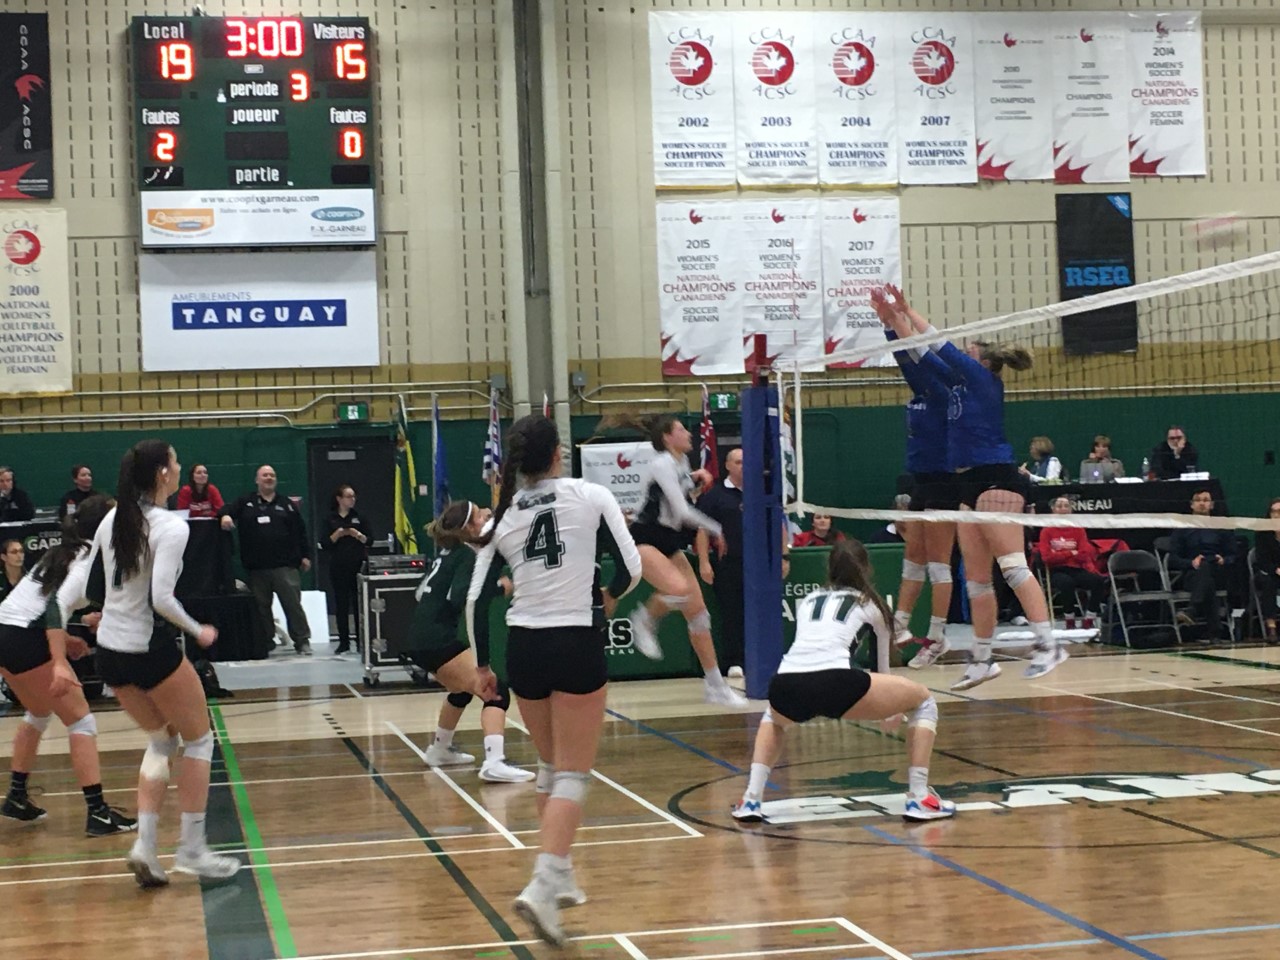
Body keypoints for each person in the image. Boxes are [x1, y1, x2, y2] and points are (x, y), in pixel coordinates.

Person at [465, 415, 642, 946]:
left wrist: (482, 667)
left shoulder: (503, 517)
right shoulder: (591, 495)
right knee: (573, 774)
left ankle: (559, 873)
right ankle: (543, 884)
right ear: (559, 453)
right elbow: (631, 568)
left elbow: (476, 600)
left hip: (524, 648)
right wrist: (609, 596)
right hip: (575, 640)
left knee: (549, 766)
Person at [878, 286, 1066, 688]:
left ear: (983, 361)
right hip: (966, 483)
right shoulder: (957, 385)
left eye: (970, 350)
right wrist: (892, 321)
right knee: (977, 580)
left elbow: (938, 344)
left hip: (997, 477)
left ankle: (1048, 644)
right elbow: (920, 353)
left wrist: (909, 309)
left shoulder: (982, 381)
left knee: (1012, 567)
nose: (964, 351)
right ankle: (982, 660)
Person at [87, 439, 239, 885]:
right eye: (175, 461)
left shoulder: (113, 518)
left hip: (109, 653)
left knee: (161, 741)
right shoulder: (171, 526)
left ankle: (146, 846)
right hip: (146, 649)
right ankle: (191, 849)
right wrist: (198, 630)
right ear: (162, 474)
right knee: (200, 741)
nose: (180, 466)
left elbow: (94, 587)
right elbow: (161, 599)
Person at [732, 540, 955, 824]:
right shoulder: (871, 604)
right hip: (836, 682)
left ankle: (751, 799)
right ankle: (920, 797)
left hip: (785, 683)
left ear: (830, 568)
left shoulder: (810, 599)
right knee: (924, 700)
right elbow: (881, 668)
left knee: (773, 719)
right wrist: (892, 709)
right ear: (866, 568)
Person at [0, 495, 136, 836]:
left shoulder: (63, 552)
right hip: (24, 637)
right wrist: (59, 661)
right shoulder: (87, 561)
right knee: (81, 721)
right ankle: (98, 813)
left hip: (6, 632)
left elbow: (35, 604)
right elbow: (54, 607)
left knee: (38, 712)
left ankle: (16, 796)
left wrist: (67, 637)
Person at [615, 414, 746, 707]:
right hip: (645, 537)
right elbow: (682, 511)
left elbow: (682, 497)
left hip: (669, 540)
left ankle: (716, 685)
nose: (688, 433)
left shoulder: (681, 462)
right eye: (681, 429)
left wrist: (697, 480)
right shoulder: (661, 463)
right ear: (667, 438)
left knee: (698, 613)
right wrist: (717, 529)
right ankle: (644, 618)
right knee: (679, 590)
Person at [408, 499, 533, 783]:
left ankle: (439, 750)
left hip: (420, 636)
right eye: (479, 514)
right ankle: (494, 761)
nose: (486, 514)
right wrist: (498, 587)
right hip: (436, 638)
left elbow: (419, 594)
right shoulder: (467, 555)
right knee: (495, 690)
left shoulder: (448, 553)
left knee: (462, 690)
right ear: (470, 528)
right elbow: (459, 596)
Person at [870, 287, 959, 671]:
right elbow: (905, 358)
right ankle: (901, 625)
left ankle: (938, 636)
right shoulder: (920, 390)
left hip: (944, 481)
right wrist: (888, 323)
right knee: (913, 559)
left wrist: (899, 320)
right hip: (921, 481)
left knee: (939, 564)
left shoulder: (944, 391)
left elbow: (917, 354)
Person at [220, 465, 313, 655]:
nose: (269, 478)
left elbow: (300, 531)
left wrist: (305, 555)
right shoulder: (246, 502)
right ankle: (265, 642)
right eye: (265, 475)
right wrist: (225, 516)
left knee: (293, 605)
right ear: (257, 480)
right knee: (260, 608)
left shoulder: (287, 504)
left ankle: (302, 640)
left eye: (272, 475)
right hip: (257, 568)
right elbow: (225, 509)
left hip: (285, 566)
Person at [694, 448, 747, 679]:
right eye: (738, 462)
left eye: (746, 462)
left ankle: (761, 657)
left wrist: (783, 556)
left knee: (758, 611)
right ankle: (735, 661)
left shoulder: (759, 492)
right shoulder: (715, 495)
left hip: (757, 565)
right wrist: (704, 562)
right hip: (728, 564)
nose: (743, 466)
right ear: (727, 466)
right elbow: (702, 530)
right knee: (731, 612)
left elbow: (778, 524)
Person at [1168, 489, 1237, 643]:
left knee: (1208, 573)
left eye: (1206, 500)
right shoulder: (1182, 529)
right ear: (1192, 505)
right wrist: (1191, 563)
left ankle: (1192, 610)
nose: (1202, 503)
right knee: (1206, 575)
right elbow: (1173, 559)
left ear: (1212, 505)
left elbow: (1233, 555)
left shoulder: (1221, 527)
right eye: (1198, 500)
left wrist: (1223, 560)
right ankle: (1215, 632)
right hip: (1192, 574)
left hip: (1218, 571)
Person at [1037, 497, 1108, 616]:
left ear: (1071, 509)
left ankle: (1091, 614)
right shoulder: (1046, 531)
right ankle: (1069, 616)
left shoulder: (1079, 530)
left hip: (1076, 568)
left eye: (1066, 506)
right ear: (1053, 509)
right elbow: (1047, 558)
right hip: (1056, 570)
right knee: (1066, 583)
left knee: (1098, 581)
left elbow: (1084, 554)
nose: (1063, 509)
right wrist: (1071, 553)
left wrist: (1059, 554)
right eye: (1059, 506)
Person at [323, 484, 368, 655]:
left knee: (359, 604)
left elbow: (369, 540)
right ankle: (343, 642)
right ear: (339, 499)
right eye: (348, 496)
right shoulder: (330, 518)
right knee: (341, 604)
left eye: (354, 496)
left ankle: (361, 640)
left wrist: (358, 535)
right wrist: (338, 534)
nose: (352, 499)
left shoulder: (360, 517)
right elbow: (324, 543)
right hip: (338, 566)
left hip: (357, 565)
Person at [1253, 498, 1280, 641]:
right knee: (1268, 583)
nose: (1276, 515)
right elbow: (1262, 560)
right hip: (1268, 572)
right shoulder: (1263, 533)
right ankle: (1271, 628)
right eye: (1273, 511)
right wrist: (1276, 569)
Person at [1, 539, 24, 605]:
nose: (19, 556)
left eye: (21, 551)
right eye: (14, 552)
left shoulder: (29, 579)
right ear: (4, 557)